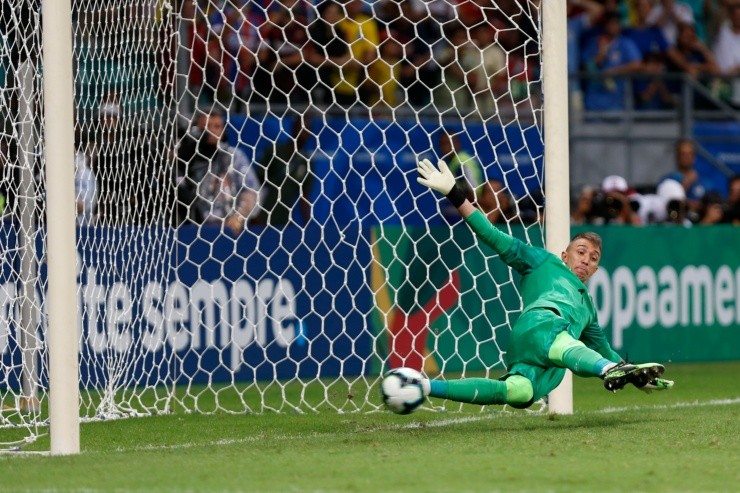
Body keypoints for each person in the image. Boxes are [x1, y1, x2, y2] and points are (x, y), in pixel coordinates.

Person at [412, 158, 672, 409]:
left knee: (518, 391)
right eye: (580, 252)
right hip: (539, 325)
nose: (585, 260)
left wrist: (639, 377)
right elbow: (491, 234)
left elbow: (604, 351)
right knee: (565, 342)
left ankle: (423, 387)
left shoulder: (588, 308)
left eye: (593, 258)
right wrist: (453, 193)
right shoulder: (543, 261)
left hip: (536, 356)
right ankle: (607, 372)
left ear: (595, 270)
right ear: (564, 255)